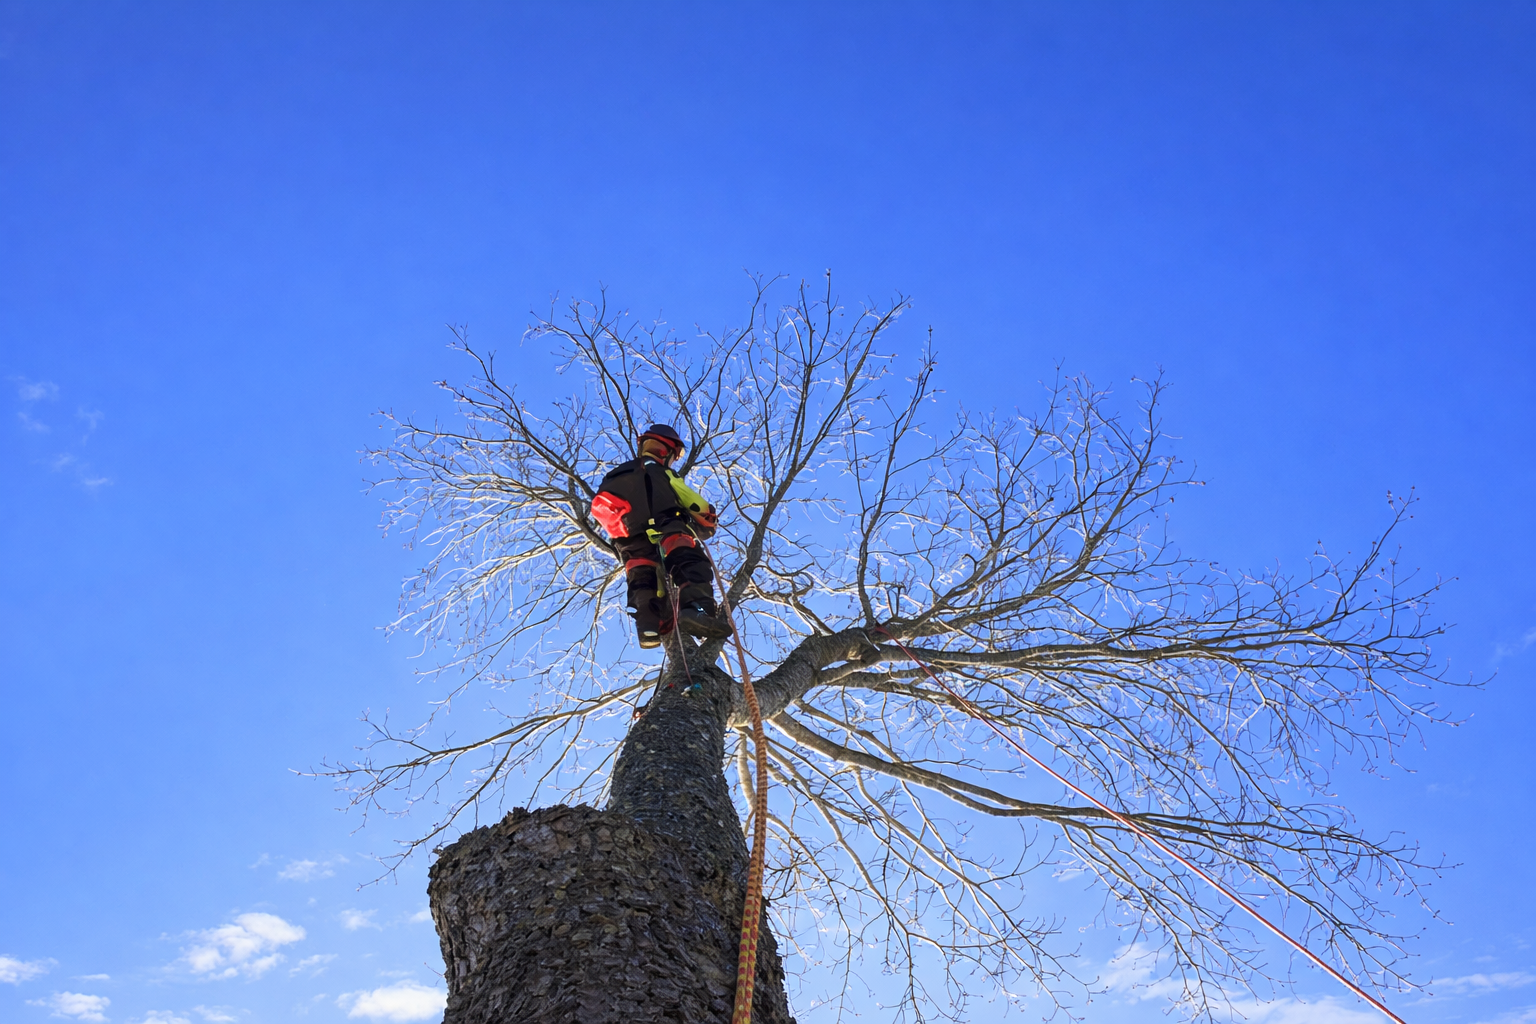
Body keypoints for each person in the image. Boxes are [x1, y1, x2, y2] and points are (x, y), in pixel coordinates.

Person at [589, 424, 733, 648]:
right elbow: (698, 506)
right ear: (666, 451)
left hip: (629, 538)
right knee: (688, 558)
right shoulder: (662, 472)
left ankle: (649, 626)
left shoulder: (617, 475)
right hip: (667, 526)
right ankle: (697, 609)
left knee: (642, 576)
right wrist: (708, 520)